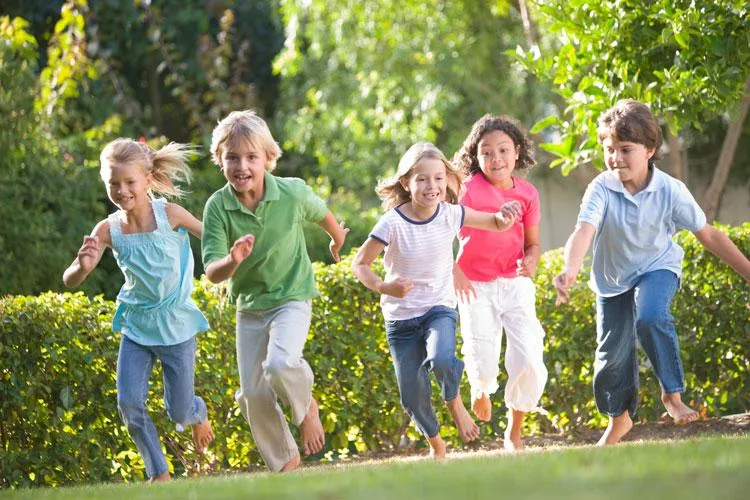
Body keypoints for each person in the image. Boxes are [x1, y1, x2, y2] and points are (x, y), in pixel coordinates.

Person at [553, 99, 750, 445]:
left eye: (625, 149)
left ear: (650, 149)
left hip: (658, 267)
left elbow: (709, 235)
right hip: (612, 280)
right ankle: (620, 419)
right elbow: (583, 230)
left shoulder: (671, 190)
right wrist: (570, 269)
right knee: (610, 356)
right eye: (609, 149)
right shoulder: (601, 187)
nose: (615, 157)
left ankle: (671, 396)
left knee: (650, 317)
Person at [351, 142, 522, 459]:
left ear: (447, 180)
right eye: (423, 179)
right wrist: (386, 287)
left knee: (442, 358)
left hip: (438, 309)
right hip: (400, 319)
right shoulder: (391, 223)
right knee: (411, 395)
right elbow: (360, 264)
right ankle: (437, 446)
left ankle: (454, 401)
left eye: (439, 178)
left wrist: (505, 216)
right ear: (406, 183)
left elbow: (495, 222)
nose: (432, 186)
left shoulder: (450, 214)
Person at [201, 110, 348, 472]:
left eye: (251, 157)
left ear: (268, 158)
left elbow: (322, 212)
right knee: (252, 394)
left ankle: (306, 407)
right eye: (232, 157)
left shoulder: (291, 192)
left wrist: (337, 238)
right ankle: (286, 464)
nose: (242, 166)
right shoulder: (217, 207)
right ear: (220, 160)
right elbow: (212, 271)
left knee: (280, 363)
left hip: (292, 298)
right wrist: (233, 260)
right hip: (249, 308)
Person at [63, 138, 214, 482]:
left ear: (147, 179)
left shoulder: (170, 215)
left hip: (175, 324)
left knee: (178, 409)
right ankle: (158, 471)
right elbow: (70, 279)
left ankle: (197, 412)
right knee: (129, 403)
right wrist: (83, 267)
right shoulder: (108, 229)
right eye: (113, 183)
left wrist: (234, 253)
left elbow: (210, 236)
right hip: (136, 326)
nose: (121, 190)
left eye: (129, 182)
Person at [451, 115, 548, 451]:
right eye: (487, 152)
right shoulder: (465, 190)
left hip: (513, 282)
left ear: (517, 151)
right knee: (481, 351)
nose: (496, 159)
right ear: (475, 157)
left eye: (503, 150)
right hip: (473, 285)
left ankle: (515, 429)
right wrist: (454, 270)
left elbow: (532, 244)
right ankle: (480, 388)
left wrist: (532, 259)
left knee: (529, 355)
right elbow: (438, 231)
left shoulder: (528, 194)